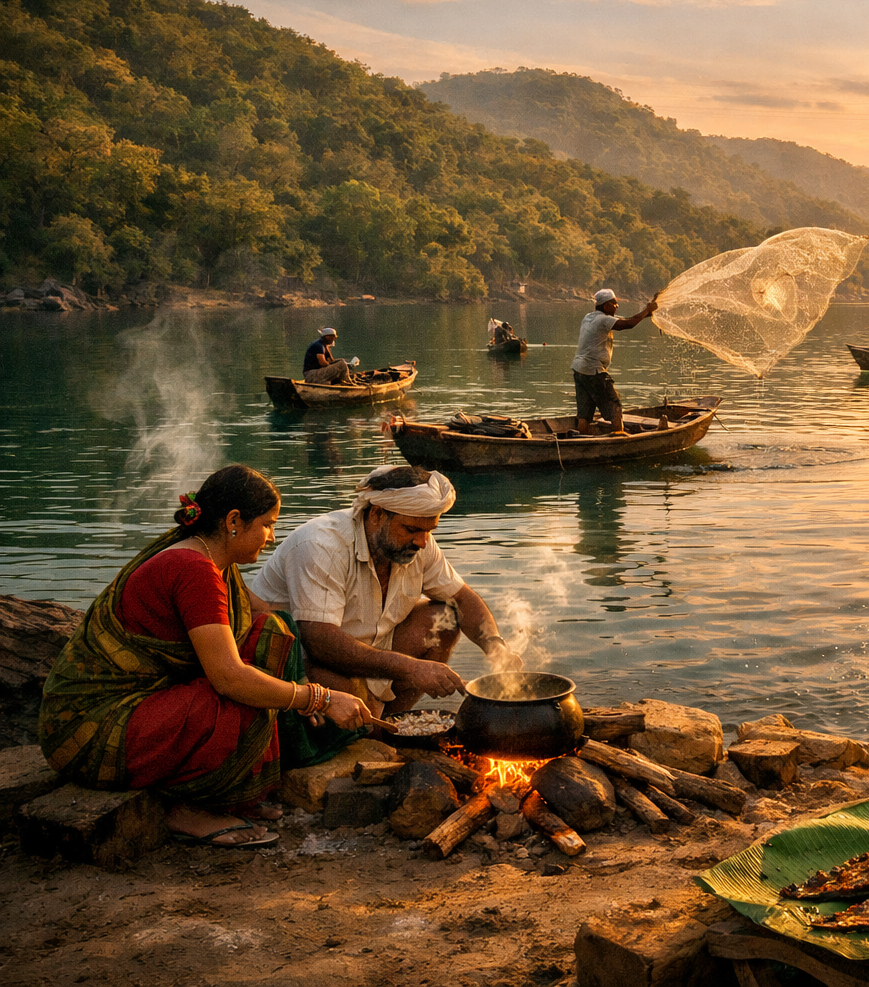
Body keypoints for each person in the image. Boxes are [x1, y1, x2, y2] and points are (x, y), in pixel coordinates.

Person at [38, 465, 369, 848]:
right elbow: (229, 678)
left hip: (144, 704)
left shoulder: (210, 560)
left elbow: (267, 616)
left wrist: (318, 665)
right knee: (247, 702)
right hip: (91, 727)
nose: (271, 537)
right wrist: (320, 698)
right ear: (233, 521)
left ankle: (225, 793)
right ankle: (184, 807)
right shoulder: (193, 569)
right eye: (267, 525)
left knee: (273, 634)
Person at [250, 464, 518, 717]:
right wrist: (412, 669)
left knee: (444, 618)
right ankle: (376, 729)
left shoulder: (419, 541)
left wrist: (497, 648)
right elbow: (319, 641)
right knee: (357, 703)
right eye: (412, 530)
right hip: (300, 661)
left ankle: (391, 722)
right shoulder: (322, 545)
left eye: (429, 530)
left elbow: (462, 598)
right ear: (377, 514)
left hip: (366, 649)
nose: (423, 542)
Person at [572, 288, 658, 436]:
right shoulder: (603, 320)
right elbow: (628, 324)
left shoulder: (589, 317)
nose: (617, 306)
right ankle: (618, 436)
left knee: (584, 413)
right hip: (594, 370)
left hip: (579, 369)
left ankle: (581, 438)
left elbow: (627, 320)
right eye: (614, 303)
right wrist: (646, 310)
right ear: (606, 306)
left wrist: (646, 313)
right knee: (615, 406)